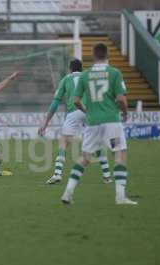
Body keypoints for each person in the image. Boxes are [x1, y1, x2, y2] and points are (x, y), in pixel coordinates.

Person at [61, 44, 137, 205]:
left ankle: (68, 192)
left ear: (93, 56)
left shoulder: (85, 75)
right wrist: (124, 112)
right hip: (111, 122)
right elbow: (121, 99)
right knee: (119, 153)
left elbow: (75, 100)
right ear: (107, 55)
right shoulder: (114, 73)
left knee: (85, 157)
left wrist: (86, 110)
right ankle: (120, 196)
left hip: (93, 122)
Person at [38, 59, 112, 185]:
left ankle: (57, 174)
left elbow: (55, 103)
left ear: (70, 69)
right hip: (90, 112)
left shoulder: (66, 79)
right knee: (97, 142)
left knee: (64, 143)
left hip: (74, 112)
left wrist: (45, 123)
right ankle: (107, 175)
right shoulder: (88, 77)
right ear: (82, 69)